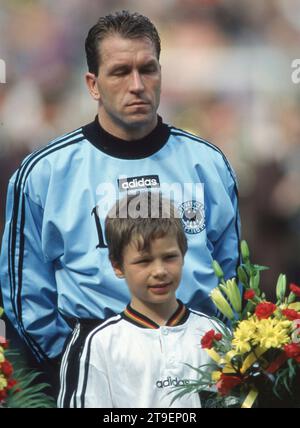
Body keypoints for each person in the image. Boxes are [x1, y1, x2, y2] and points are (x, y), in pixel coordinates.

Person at [0, 11, 240, 398]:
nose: (137, 85)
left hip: (200, 366)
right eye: (120, 72)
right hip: (93, 368)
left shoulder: (208, 163)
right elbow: (24, 297)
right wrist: (76, 360)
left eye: (148, 69)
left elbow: (232, 279)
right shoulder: (44, 173)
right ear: (93, 84)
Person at [61, 192, 215, 408]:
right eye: (144, 261)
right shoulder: (101, 342)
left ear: (184, 253)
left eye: (170, 257)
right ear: (117, 265)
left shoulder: (213, 332)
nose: (159, 271)